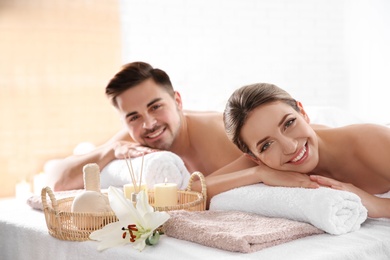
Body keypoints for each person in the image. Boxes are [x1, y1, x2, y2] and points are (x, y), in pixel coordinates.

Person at [50, 62, 318, 205]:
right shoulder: (133, 140)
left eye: (156, 107)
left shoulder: (219, 134)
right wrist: (110, 151)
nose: (148, 124)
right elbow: (59, 180)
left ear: (177, 100)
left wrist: (256, 172)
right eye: (133, 117)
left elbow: (292, 160)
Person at [223, 82, 390, 218]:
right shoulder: (263, 164)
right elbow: (197, 189)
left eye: (288, 123)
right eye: (267, 145)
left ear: (302, 112)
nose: (290, 147)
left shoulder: (371, 141)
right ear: (255, 158)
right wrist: (258, 174)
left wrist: (376, 205)